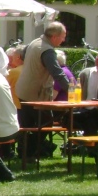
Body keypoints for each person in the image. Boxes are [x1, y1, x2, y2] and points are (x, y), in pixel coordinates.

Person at [15, 22, 69, 157]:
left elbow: (22, 55)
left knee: (26, 125)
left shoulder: (35, 42)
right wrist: (72, 90)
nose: (63, 40)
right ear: (55, 36)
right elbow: (57, 72)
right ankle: (30, 151)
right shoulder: (47, 50)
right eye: (63, 36)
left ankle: (24, 153)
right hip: (36, 94)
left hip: (23, 90)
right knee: (46, 124)